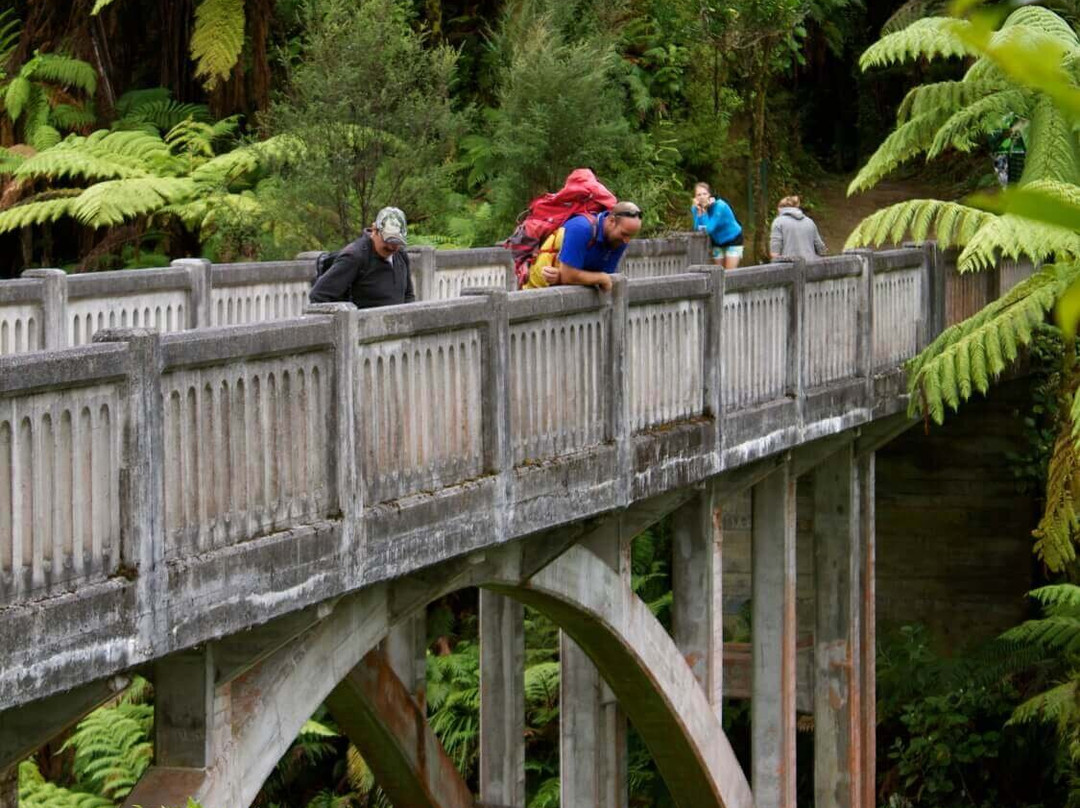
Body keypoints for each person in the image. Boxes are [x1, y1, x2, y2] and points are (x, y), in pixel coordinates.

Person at [309, 206, 415, 308]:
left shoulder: (401, 255)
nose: (391, 247)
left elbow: (408, 295)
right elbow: (318, 295)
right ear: (375, 230)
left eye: (396, 242)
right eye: (387, 240)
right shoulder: (354, 257)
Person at [526, 200, 643, 291]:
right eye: (624, 234)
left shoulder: (619, 240)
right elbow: (571, 276)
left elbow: (605, 281)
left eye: (631, 236)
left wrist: (561, 277)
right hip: (536, 290)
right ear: (611, 221)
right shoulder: (581, 229)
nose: (627, 240)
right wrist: (600, 278)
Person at [691, 182, 743, 269]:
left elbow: (709, 229)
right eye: (699, 195)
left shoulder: (720, 206)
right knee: (719, 273)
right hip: (717, 241)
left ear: (709, 195)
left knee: (729, 273)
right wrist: (700, 212)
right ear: (695, 197)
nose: (702, 197)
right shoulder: (696, 208)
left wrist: (705, 211)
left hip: (733, 239)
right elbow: (697, 229)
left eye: (704, 194)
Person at [769, 195, 827, 262]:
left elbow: (775, 253)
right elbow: (821, 250)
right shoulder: (809, 221)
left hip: (789, 268)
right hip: (810, 267)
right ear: (797, 207)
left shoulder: (778, 222)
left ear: (779, 208)